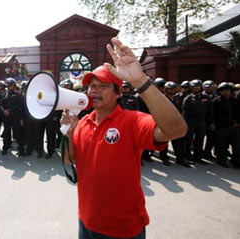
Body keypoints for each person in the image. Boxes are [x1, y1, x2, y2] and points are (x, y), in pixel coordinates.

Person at [60, 38, 187, 239]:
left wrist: (140, 81)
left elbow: (177, 130)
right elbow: (69, 160)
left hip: (123, 229)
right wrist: (68, 134)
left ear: (118, 93)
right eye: (91, 86)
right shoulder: (82, 123)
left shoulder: (132, 121)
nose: (94, 91)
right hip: (86, 221)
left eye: (102, 86)